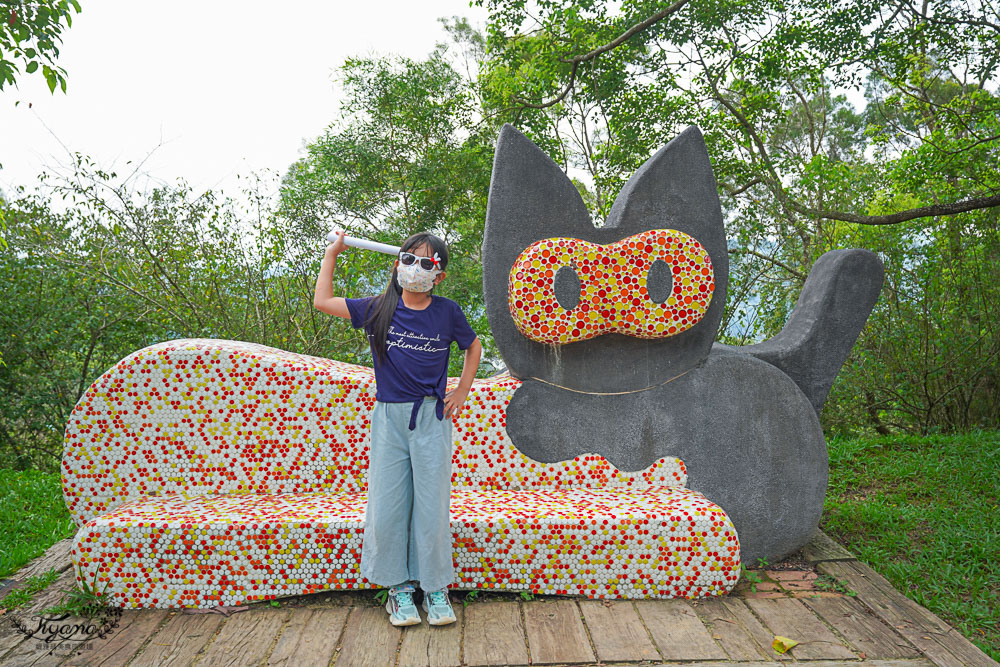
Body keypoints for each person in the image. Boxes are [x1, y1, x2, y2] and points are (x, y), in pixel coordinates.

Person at [313, 230, 482, 627]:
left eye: (427, 263)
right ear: (397, 264)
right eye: (409, 259)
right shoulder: (378, 309)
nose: (416, 269)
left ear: (438, 275)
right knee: (389, 506)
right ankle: (399, 589)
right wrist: (331, 254)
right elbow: (322, 301)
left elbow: (472, 347)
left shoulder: (447, 312)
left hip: (431, 419)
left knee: (431, 506)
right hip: (389, 420)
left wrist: (461, 388)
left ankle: (435, 587)